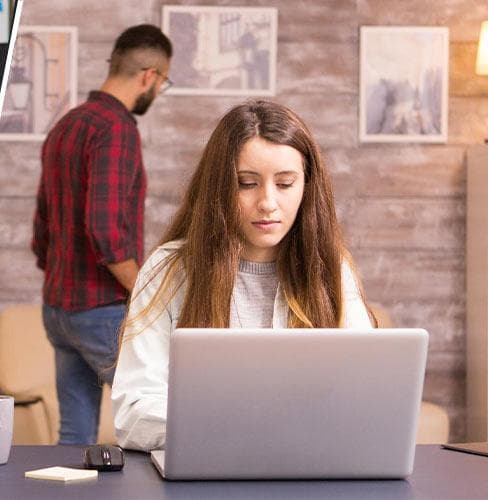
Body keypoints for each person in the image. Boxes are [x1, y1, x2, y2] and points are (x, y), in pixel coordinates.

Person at [111, 100, 377, 453]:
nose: (267, 202)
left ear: (307, 186)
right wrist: (245, 430)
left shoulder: (332, 268)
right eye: (247, 183)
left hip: (307, 468)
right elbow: (134, 412)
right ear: (219, 187)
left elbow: (366, 396)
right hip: (208, 469)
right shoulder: (168, 270)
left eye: (285, 183)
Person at [30, 24, 173, 445]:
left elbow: (43, 229)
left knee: (74, 436)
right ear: (149, 75)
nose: (159, 90)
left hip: (58, 310)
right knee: (167, 421)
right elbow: (106, 233)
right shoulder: (116, 129)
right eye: (163, 82)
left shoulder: (67, 125)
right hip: (102, 311)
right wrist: (146, 293)